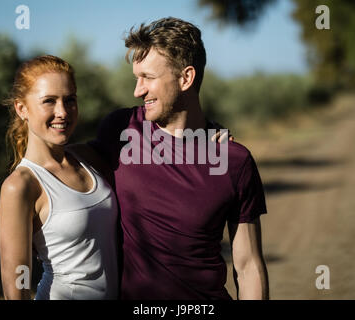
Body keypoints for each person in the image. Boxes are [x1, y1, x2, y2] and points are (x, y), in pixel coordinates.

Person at [89, 17, 269, 300]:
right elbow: (59, 163)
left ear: (186, 78)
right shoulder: (120, 130)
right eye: (136, 78)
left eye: (148, 77)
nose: (138, 90)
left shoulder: (235, 161)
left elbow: (248, 266)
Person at [0, 55, 119, 300]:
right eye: (49, 101)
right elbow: (16, 284)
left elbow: (149, 147)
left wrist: (209, 135)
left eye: (70, 100)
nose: (62, 112)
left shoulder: (88, 158)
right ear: (22, 109)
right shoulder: (21, 185)